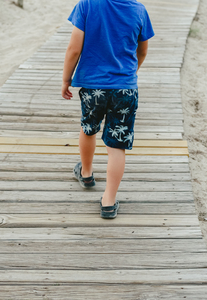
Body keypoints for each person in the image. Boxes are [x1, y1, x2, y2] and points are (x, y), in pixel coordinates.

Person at [61, 0, 154, 219]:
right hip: (125, 88)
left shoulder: (87, 5)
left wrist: (66, 79)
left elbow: (74, 48)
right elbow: (142, 51)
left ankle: (86, 173)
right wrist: (129, 74)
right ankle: (109, 201)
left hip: (93, 86)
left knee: (88, 128)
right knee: (117, 143)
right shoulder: (139, 10)